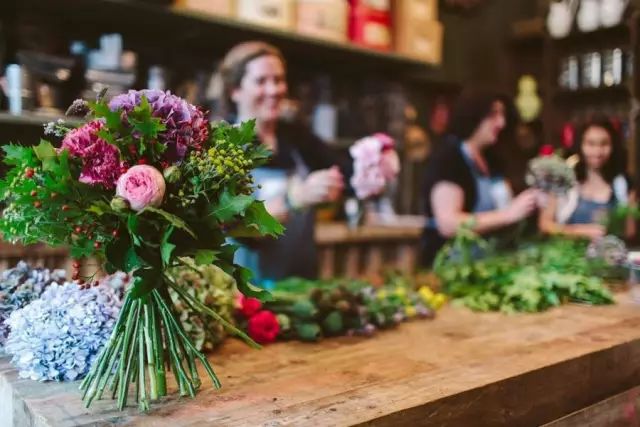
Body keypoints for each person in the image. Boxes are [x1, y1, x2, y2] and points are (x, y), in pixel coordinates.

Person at [216, 41, 350, 281]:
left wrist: (370, 162)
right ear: (234, 90)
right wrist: (293, 199)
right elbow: (236, 228)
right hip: (244, 293)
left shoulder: (298, 139)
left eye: (278, 80)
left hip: (300, 288)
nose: (274, 90)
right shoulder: (224, 146)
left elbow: (347, 174)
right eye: (261, 81)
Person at [420, 91, 539, 266]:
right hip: (454, 267)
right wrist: (507, 215)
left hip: (492, 264)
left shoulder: (493, 160)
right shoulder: (450, 158)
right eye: (493, 114)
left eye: (503, 115)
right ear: (473, 115)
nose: (501, 123)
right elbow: (448, 223)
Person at [538, 115, 636, 240]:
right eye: (591, 144)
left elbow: (630, 232)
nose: (597, 151)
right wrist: (577, 231)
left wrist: (612, 226)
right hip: (569, 255)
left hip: (609, 256)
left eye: (604, 144)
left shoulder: (623, 184)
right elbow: (545, 224)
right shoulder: (563, 180)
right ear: (580, 146)